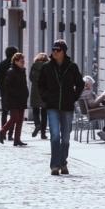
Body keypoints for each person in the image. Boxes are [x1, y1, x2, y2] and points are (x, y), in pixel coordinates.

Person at [38, 39, 84, 175]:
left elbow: (80, 84)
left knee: (65, 137)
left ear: (64, 52)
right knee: (54, 136)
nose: (54, 52)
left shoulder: (72, 67)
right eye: (53, 50)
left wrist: (73, 97)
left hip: (67, 106)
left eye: (57, 50)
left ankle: (63, 162)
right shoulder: (46, 67)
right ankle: (54, 166)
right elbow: (40, 85)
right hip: (52, 106)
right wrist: (45, 97)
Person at [0, 52, 29, 146]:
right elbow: (7, 86)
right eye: (21, 61)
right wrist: (15, 94)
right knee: (15, 117)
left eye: (23, 60)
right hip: (13, 99)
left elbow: (24, 84)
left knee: (20, 120)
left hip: (22, 99)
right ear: (15, 61)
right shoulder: (11, 71)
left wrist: (26, 93)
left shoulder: (22, 71)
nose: (23, 62)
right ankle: (2, 132)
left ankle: (17, 140)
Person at [79, 76, 105, 143]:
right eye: (91, 84)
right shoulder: (87, 92)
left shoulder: (82, 92)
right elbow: (92, 104)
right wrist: (102, 97)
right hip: (94, 112)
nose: (92, 86)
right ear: (87, 85)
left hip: (92, 112)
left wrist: (100, 97)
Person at [0, 46, 19, 139]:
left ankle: (3, 131)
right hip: (14, 92)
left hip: (4, 91)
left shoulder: (1, 64)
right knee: (13, 113)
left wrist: (1, 87)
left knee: (4, 112)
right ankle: (10, 134)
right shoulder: (15, 65)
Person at [29, 53, 49, 139]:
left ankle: (37, 124)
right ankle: (43, 134)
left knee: (35, 110)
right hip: (44, 91)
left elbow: (30, 78)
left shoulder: (34, 66)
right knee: (44, 113)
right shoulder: (48, 66)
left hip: (35, 91)